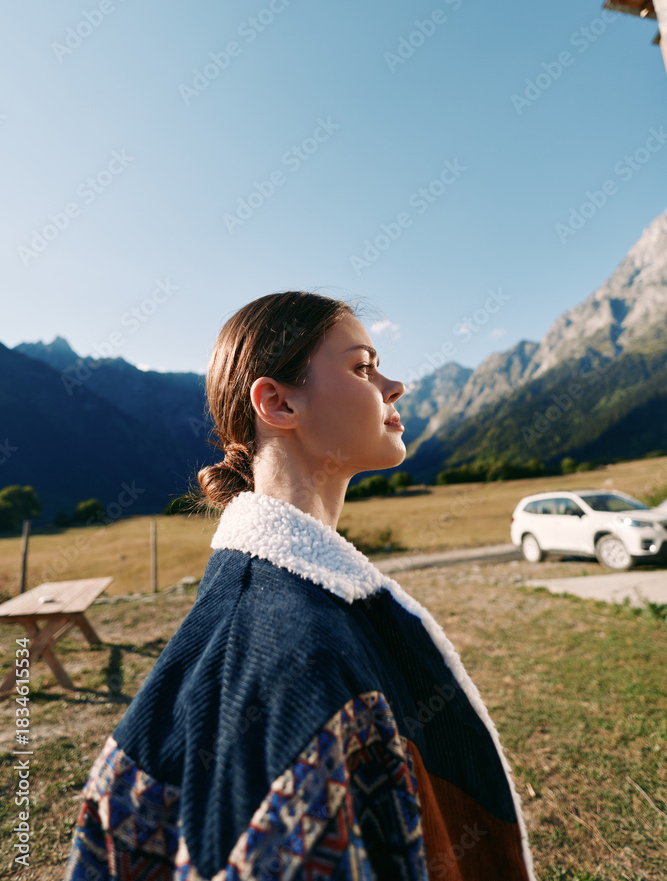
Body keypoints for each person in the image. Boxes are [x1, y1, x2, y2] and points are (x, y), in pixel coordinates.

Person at [64, 290, 535, 880]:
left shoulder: (287, 598)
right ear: (279, 403)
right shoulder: (294, 655)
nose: (395, 386)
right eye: (363, 367)